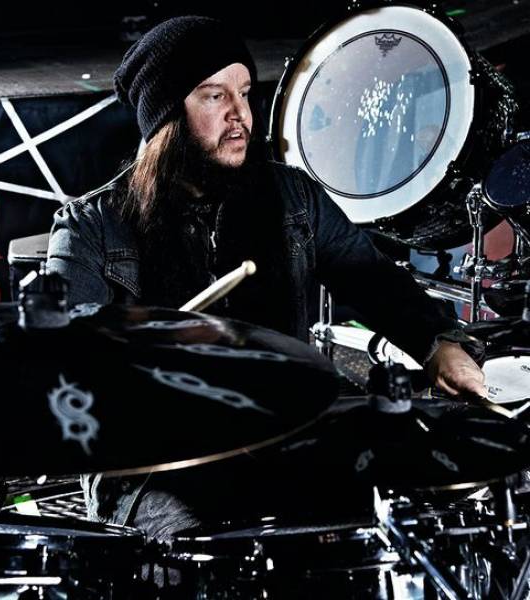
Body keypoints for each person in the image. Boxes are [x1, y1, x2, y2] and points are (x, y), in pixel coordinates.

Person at [46, 16, 486, 548]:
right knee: (200, 546)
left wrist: (439, 344)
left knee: (404, 499)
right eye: (215, 96)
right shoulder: (91, 227)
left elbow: (374, 281)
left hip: (284, 433)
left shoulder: (291, 197)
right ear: (167, 118)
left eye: (245, 92)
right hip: (156, 464)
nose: (240, 115)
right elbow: (62, 368)